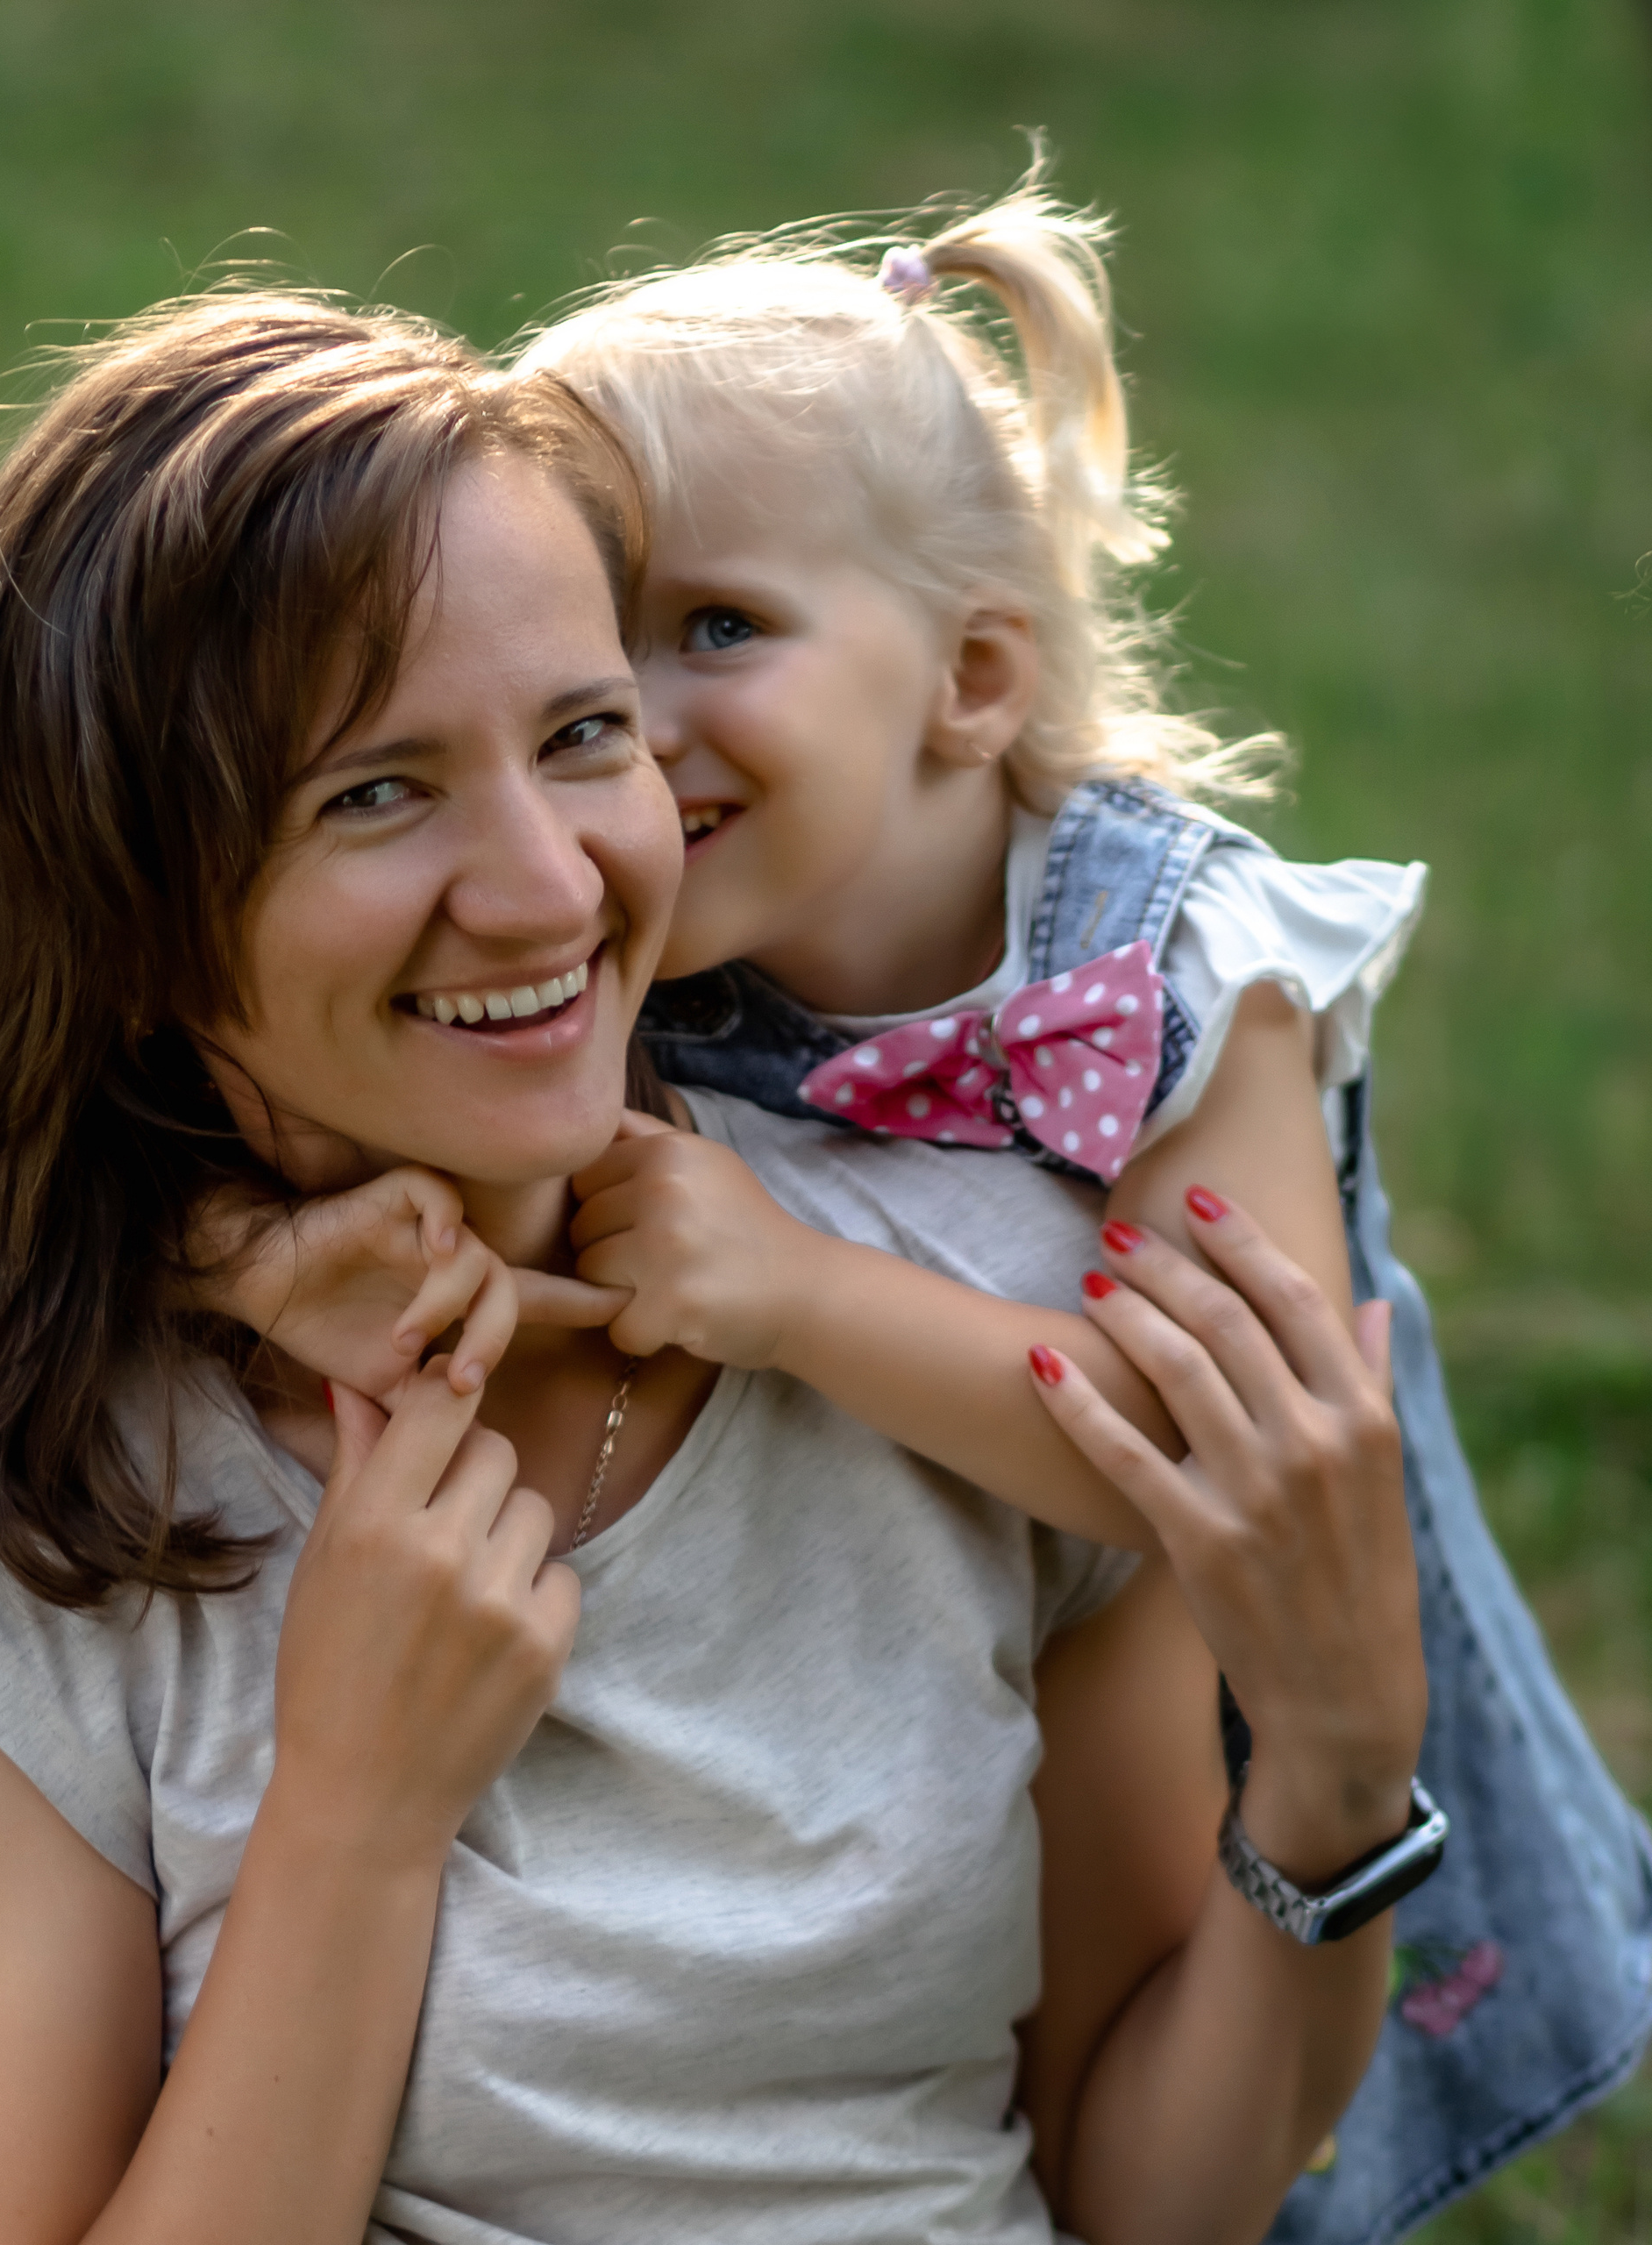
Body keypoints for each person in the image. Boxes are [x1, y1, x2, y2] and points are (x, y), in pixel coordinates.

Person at [0, 292, 1428, 2245]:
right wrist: (357, 1816)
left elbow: (1142, 2198)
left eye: (584, 738)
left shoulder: (966, 1340)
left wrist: (1331, 1769)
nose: (552, 886)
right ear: (122, 917)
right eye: (373, 790)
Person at [502, 176, 1652, 2239]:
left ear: (966, 679)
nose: (630, 726)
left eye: (717, 628)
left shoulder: (1183, 963)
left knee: (1169, 2110)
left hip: (1220, 1708)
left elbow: (1203, 1461)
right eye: (588, 657)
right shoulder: (626, 958)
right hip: (882, 1712)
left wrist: (789, 1287)